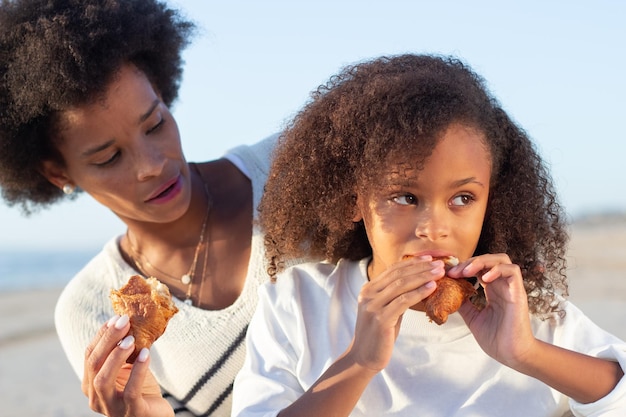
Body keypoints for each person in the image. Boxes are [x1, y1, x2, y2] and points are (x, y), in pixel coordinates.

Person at [231, 54, 626, 416]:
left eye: (463, 198)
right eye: (405, 197)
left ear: (493, 200)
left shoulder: (524, 310)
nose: (435, 228)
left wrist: (526, 352)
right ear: (354, 201)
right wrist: (358, 364)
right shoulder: (300, 303)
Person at [0, 1, 278, 416]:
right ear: (58, 173)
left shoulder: (287, 165)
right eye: (109, 158)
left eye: (155, 124)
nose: (152, 165)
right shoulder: (90, 310)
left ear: (163, 94)